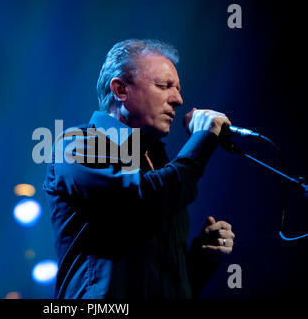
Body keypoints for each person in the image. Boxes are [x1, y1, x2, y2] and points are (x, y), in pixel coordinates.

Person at [43, 39, 235, 299]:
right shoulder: (76, 145)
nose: (178, 99)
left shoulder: (161, 165)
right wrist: (202, 140)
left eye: (177, 89)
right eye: (164, 86)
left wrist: (200, 258)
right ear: (121, 90)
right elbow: (139, 200)